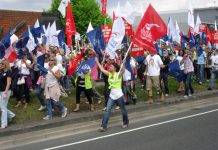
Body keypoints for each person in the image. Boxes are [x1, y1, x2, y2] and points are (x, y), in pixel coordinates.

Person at [95, 57, 129, 132]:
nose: (109, 67)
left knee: (123, 110)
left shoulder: (118, 74)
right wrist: (97, 62)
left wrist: (123, 63)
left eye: (111, 66)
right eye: (109, 66)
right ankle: (104, 126)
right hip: (112, 95)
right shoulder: (109, 74)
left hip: (119, 95)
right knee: (107, 110)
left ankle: (126, 122)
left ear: (115, 68)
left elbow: (123, 70)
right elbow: (102, 70)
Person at [0, 60, 16, 129]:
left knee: (3, 108)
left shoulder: (8, 72)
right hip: (0, 91)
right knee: (2, 106)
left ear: (6, 65)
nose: (1, 65)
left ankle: (3, 124)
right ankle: (11, 115)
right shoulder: (1, 72)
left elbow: (8, 83)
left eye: (2, 64)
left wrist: (6, 92)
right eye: (0, 64)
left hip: (5, 91)